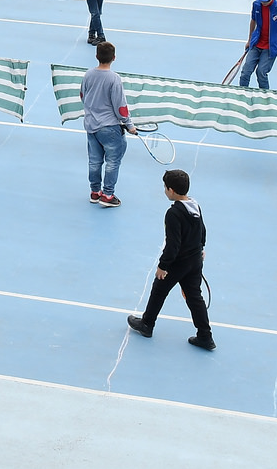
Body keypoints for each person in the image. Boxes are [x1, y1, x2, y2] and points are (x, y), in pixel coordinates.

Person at [125, 168, 214, 350]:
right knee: (195, 297)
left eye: (165, 188)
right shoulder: (195, 205)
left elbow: (173, 244)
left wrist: (163, 266)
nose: (165, 191)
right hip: (195, 260)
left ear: (171, 190)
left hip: (178, 263)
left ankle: (147, 324)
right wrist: (201, 248)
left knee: (159, 290)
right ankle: (205, 336)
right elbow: (202, 231)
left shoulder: (173, 214)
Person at [81, 40, 130, 206]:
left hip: (91, 126)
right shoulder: (114, 79)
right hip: (109, 128)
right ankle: (108, 195)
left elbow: (83, 95)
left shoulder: (88, 74)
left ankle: (95, 192)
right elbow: (120, 106)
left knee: (94, 161)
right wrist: (129, 125)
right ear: (114, 58)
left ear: (96, 56)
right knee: (113, 162)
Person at [236, 0, 277, 89]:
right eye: (261, 0)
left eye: (265, 0)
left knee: (261, 72)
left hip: (270, 48)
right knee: (245, 72)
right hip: (256, 44)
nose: (263, 3)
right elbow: (253, 21)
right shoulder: (257, 4)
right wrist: (249, 40)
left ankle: (266, 97)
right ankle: (242, 93)